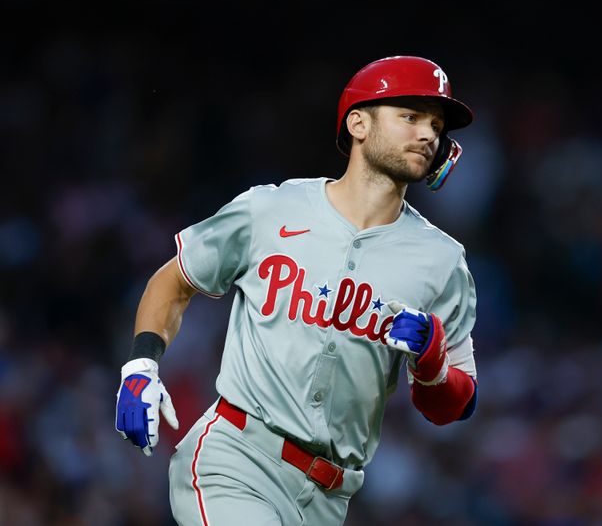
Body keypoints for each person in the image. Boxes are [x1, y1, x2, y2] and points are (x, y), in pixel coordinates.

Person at [115, 55, 479, 525]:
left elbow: (455, 403)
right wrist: (142, 363)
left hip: (329, 498)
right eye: (410, 117)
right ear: (358, 124)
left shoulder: (442, 260)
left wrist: (431, 364)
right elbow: (176, 279)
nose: (428, 134)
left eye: (435, 124)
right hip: (236, 461)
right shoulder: (271, 209)